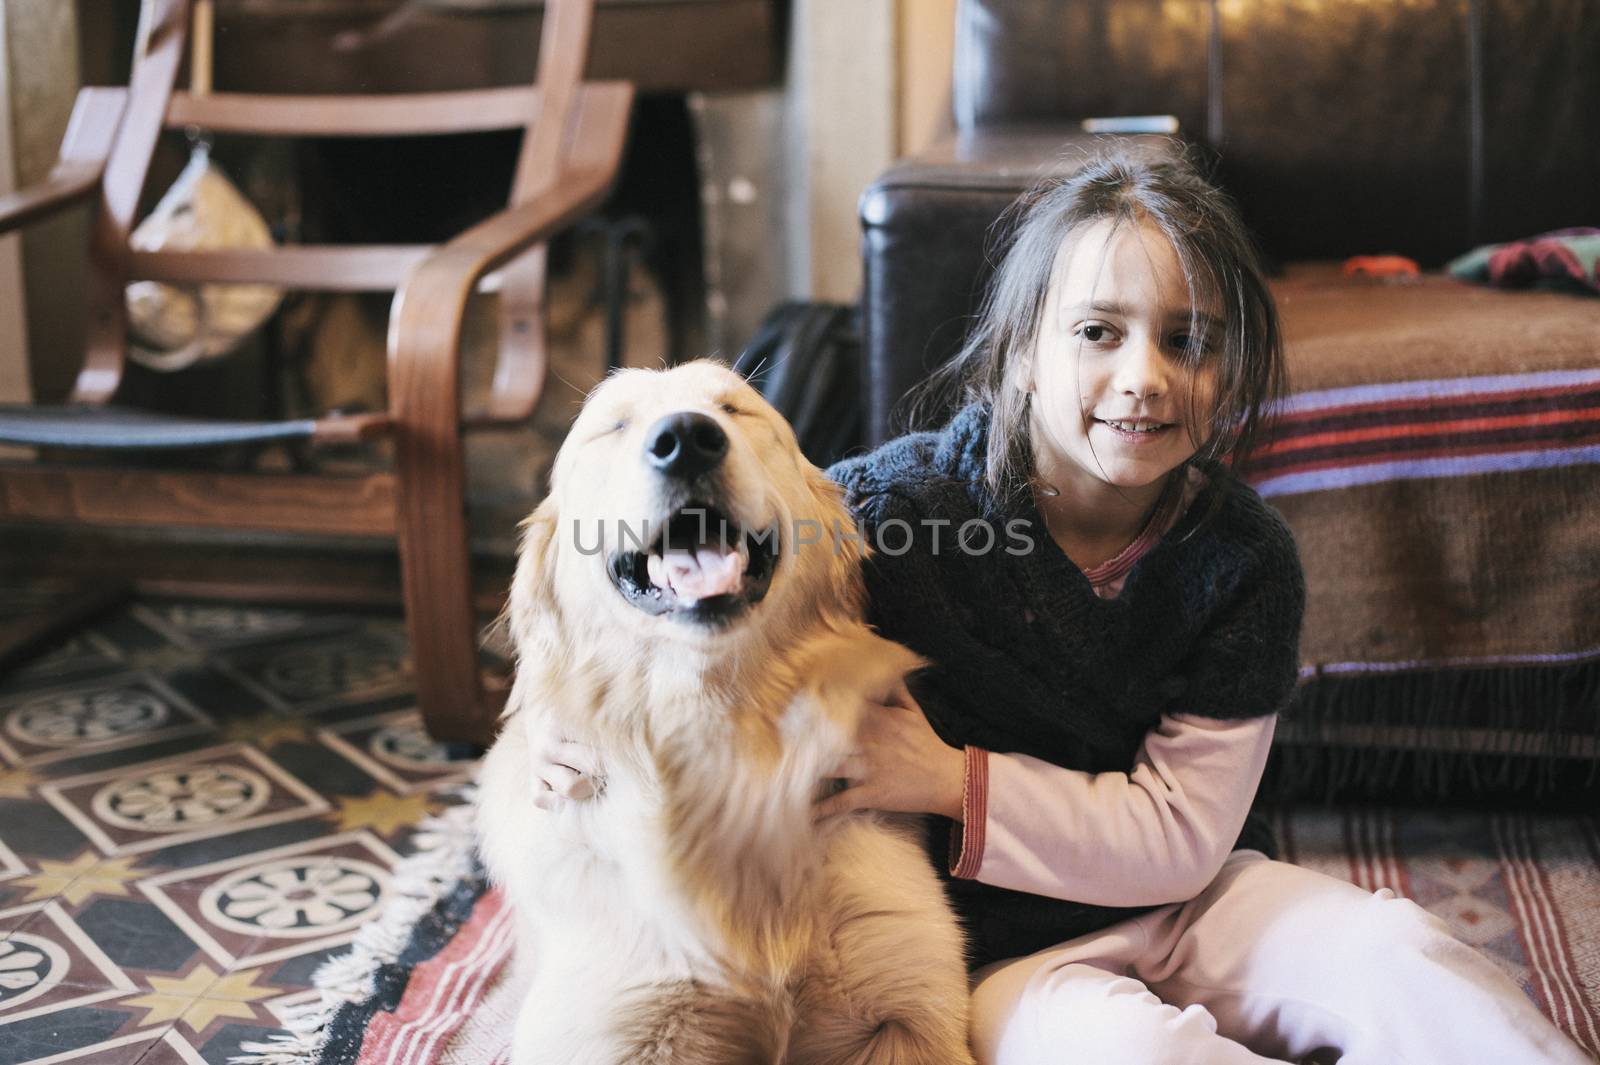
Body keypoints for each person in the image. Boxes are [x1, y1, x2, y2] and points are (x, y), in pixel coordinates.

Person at [532, 150, 1593, 1064]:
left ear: (1232, 374)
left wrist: (949, 779)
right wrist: (565, 734)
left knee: (1396, 953)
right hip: (1001, 954)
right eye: (1096, 331)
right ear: (1018, 356)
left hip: (1196, 894)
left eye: (1189, 341)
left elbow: (1182, 838)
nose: (1144, 377)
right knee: (1135, 1052)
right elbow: (689, 622)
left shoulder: (1243, 559)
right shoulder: (878, 514)